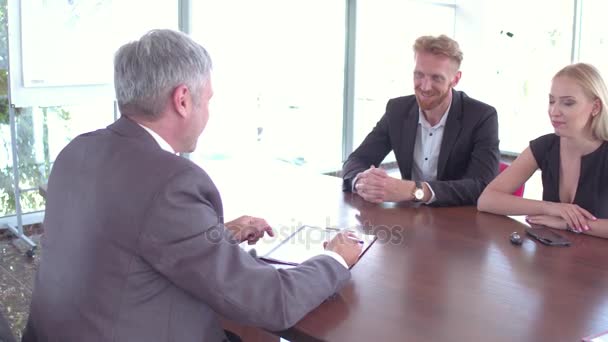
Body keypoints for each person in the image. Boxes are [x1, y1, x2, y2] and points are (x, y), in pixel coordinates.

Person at [22, 29, 362, 342]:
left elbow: (125, 241)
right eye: (208, 99)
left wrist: (216, 235)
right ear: (183, 99)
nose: (209, 112)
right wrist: (334, 258)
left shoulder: (77, 150)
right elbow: (269, 302)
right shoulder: (170, 181)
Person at [342, 35, 500, 207]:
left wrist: (415, 191)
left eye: (436, 78)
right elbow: (357, 159)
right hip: (410, 218)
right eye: (419, 75)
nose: (425, 86)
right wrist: (362, 182)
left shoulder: (481, 116)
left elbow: (481, 185)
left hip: (458, 220)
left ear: (455, 79)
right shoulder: (397, 109)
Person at [478, 63, 608, 238]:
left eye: (568, 103)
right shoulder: (545, 146)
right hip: (554, 255)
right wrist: (552, 208)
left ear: (595, 107)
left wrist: (568, 224)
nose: (554, 111)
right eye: (552, 101)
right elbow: (487, 200)